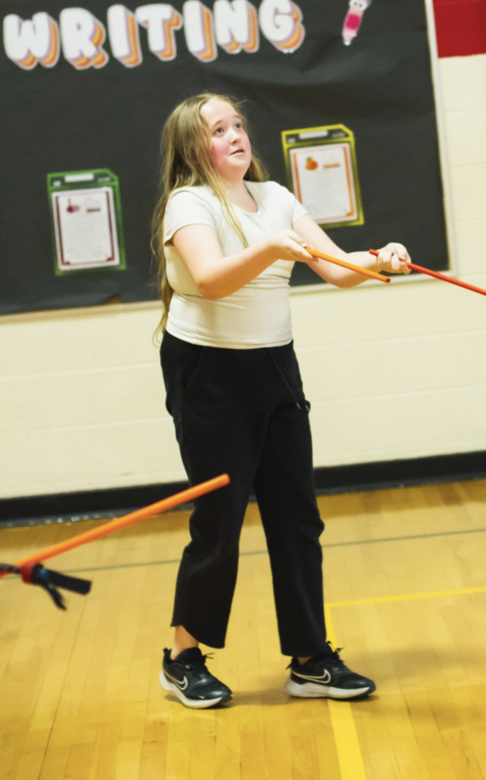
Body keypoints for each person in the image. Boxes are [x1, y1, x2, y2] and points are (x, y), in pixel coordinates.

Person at [152, 92, 411, 709]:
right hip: (208, 375)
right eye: (220, 129)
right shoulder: (188, 205)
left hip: (275, 366)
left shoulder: (275, 198)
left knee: (296, 514)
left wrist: (382, 259)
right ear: (195, 147)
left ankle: (310, 658)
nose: (237, 135)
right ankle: (184, 658)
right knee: (220, 521)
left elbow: (338, 268)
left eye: (238, 124)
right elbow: (212, 281)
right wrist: (271, 248)